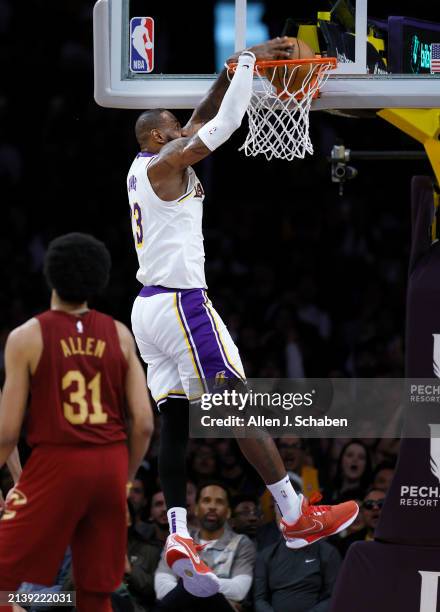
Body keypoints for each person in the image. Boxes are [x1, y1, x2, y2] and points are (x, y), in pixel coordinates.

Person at [127, 38, 359, 597]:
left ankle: (178, 535)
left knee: (177, 422)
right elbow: (222, 126)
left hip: (147, 311)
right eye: (174, 124)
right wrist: (253, 70)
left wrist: (237, 62)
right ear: (160, 135)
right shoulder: (166, 163)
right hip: (183, 305)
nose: (184, 125)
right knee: (237, 403)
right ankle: (294, 511)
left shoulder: (142, 167)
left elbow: (206, 111)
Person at [0, 233, 154, 612]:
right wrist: (125, 477)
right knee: (94, 591)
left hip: (57, 462)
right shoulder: (120, 334)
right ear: (98, 281)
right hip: (110, 464)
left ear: (50, 277)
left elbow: (6, 432)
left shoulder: (26, 336)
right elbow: (144, 425)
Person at [154, 483, 255, 611]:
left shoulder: (241, 543)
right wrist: (204, 584)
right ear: (196, 508)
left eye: (219, 502)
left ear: (228, 512)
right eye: (206, 501)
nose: (212, 507)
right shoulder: (179, 539)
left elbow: (239, 590)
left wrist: (187, 582)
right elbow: (162, 588)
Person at [254, 506, 342, 612]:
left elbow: (334, 596)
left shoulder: (327, 552)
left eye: (294, 513)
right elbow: (259, 599)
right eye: (282, 514)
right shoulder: (266, 555)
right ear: (277, 518)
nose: (288, 519)